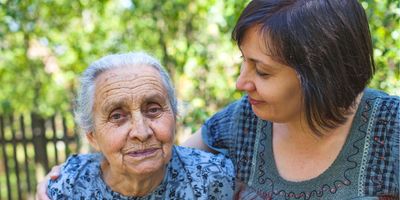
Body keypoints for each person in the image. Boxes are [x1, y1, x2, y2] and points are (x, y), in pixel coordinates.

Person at [37, 0, 399, 199]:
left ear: (321, 75)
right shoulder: (241, 123)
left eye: (263, 71)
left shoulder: (391, 131)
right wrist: (63, 182)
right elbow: (162, 160)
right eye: (244, 62)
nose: (242, 83)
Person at [45, 52, 235, 199]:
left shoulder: (213, 178)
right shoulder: (68, 187)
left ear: (175, 117)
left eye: (153, 110)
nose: (141, 132)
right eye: (117, 116)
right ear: (92, 136)